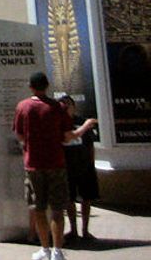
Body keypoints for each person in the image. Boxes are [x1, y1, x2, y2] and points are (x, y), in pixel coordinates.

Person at [13, 71, 97, 260]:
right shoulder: (58, 108)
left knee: (39, 207)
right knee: (58, 208)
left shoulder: (23, 107)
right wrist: (84, 127)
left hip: (33, 164)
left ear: (31, 87)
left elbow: (19, 135)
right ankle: (57, 250)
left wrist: (28, 144)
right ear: (47, 85)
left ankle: (45, 249)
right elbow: (68, 137)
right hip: (56, 163)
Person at [58, 95, 98, 243]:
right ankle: (73, 229)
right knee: (69, 199)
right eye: (63, 104)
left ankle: (85, 230)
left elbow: (90, 144)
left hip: (84, 165)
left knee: (86, 198)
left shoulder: (82, 122)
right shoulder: (58, 123)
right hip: (67, 166)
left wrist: (91, 162)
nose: (66, 106)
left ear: (74, 106)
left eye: (69, 104)